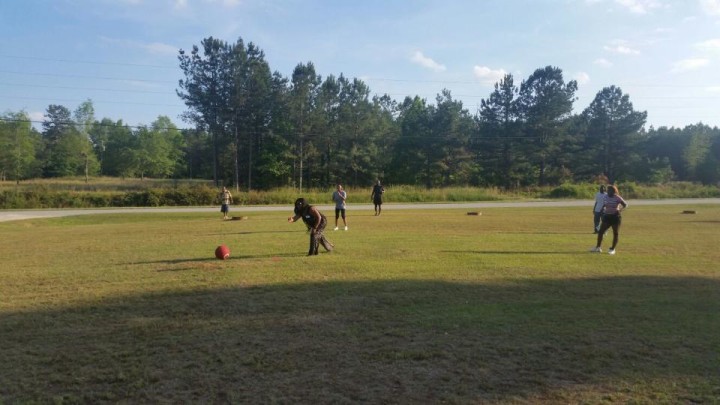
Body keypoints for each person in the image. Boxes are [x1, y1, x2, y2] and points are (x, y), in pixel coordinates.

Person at [591, 185, 628, 255]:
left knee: (615, 233)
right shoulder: (606, 196)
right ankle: (598, 247)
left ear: (613, 191)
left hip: (615, 217)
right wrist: (602, 209)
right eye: (607, 190)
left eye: (609, 191)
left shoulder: (617, 197)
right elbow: (605, 204)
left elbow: (625, 205)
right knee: (601, 231)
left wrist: (620, 210)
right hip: (607, 216)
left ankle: (612, 249)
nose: (607, 192)